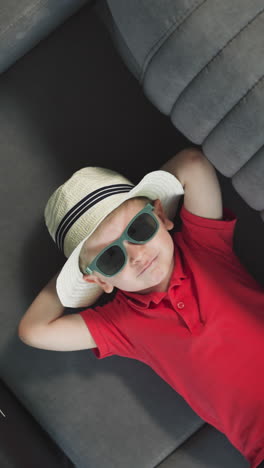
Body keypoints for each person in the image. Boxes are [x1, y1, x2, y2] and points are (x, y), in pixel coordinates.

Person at [18, 147, 264, 468]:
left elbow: (192, 164)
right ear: (98, 280)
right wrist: (82, 277)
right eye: (110, 257)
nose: (136, 256)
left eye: (139, 229)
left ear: (161, 216)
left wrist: (100, 261)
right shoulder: (122, 323)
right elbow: (34, 330)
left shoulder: (204, 247)